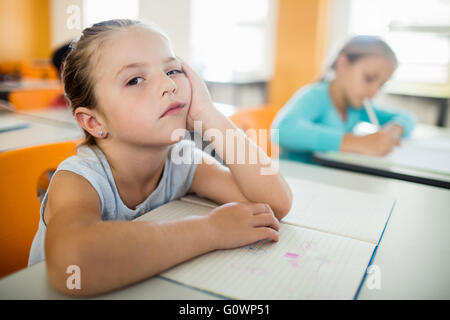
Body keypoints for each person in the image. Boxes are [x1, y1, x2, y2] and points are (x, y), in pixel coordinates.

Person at [28, 19, 292, 297]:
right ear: (93, 123)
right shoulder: (79, 179)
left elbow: (274, 203)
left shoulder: (182, 161)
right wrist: (210, 230)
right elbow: (73, 264)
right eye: (134, 80)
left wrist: (208, 114)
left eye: (173, 70)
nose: (168, 85)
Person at [271, 35, 416, 163]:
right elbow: (282, 130)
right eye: (369, 78)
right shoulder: (316, 95)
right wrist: (359, 142)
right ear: (343, 64)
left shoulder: (357, 107)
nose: (374, 91)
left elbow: (406, 116)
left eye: (381, 85)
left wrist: (396, 129)